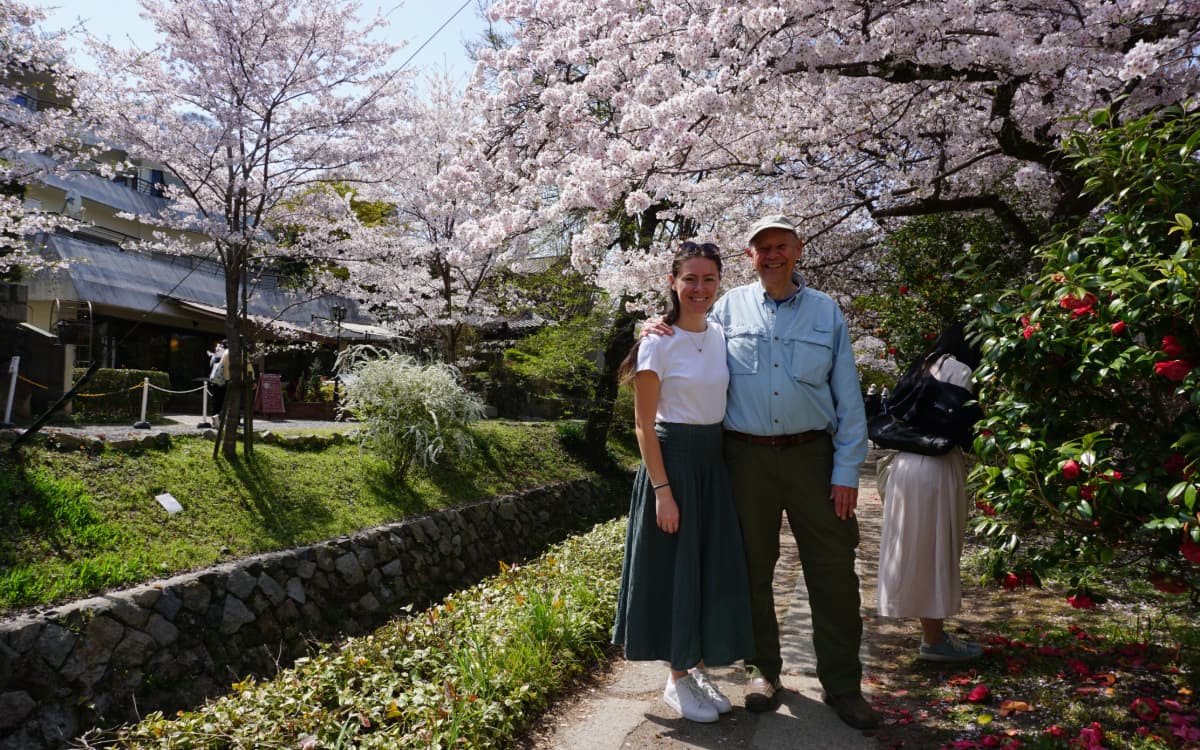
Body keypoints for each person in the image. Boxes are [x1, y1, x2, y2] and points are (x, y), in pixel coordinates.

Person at [646, 214, 878, 729]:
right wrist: (655, 326)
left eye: (781, 246)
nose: (772, 255)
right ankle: (762, 672)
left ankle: (843, 684)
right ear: (749, 256)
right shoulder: (727, 308)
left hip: (814, 458)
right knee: (750, 570)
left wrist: (847, 470)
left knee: (834, 573)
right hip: (744, 459)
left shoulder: (825, 311)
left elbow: (849, 397)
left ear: (798, 250)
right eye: (762, 248)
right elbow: (686, 338)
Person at [612, 241, 755, 725]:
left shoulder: (719, 334)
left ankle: (694, 668)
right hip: (672, 464)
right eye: (689, 278)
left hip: (712, 466)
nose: (699, 287)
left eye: (708, 278)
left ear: (719, 283)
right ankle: (675, 678)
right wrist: (663, 492)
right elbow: (643, 425)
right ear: (672, 282)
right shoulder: (658, 341)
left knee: (704, 570)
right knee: (675, 572)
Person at [876, 322, 984, 662]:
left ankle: (933, 634)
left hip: (905, 464)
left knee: (916, 548)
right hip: (936, 466)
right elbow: (967, 431)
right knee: (936, 550)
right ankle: (933, 640)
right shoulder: (961, 371)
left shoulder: (922, 366)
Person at [207, 340, 228, 425]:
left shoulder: (215, 355)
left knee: (216, 402)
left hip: (214, 381)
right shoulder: (226, 354)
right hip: (223, 382)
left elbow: (211, 366)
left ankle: (215, 419)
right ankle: (219, 419)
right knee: (223, 402)